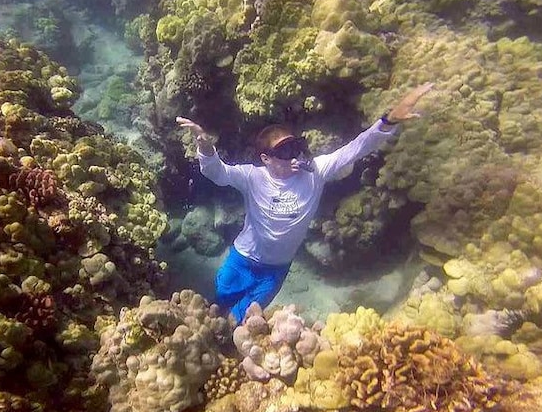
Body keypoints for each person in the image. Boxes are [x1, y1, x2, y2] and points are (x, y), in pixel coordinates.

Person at [176, 83, 433, 324]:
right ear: (266, 158)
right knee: (212, 311)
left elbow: (356, 148)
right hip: (241, 259)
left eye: (296, 147)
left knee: (241, 322)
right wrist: (205, 147)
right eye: (284, 152)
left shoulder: (315, 172)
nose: (293, 157)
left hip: (275, 270)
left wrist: (388, 121)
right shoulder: (252, 177)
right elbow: (217, 173)